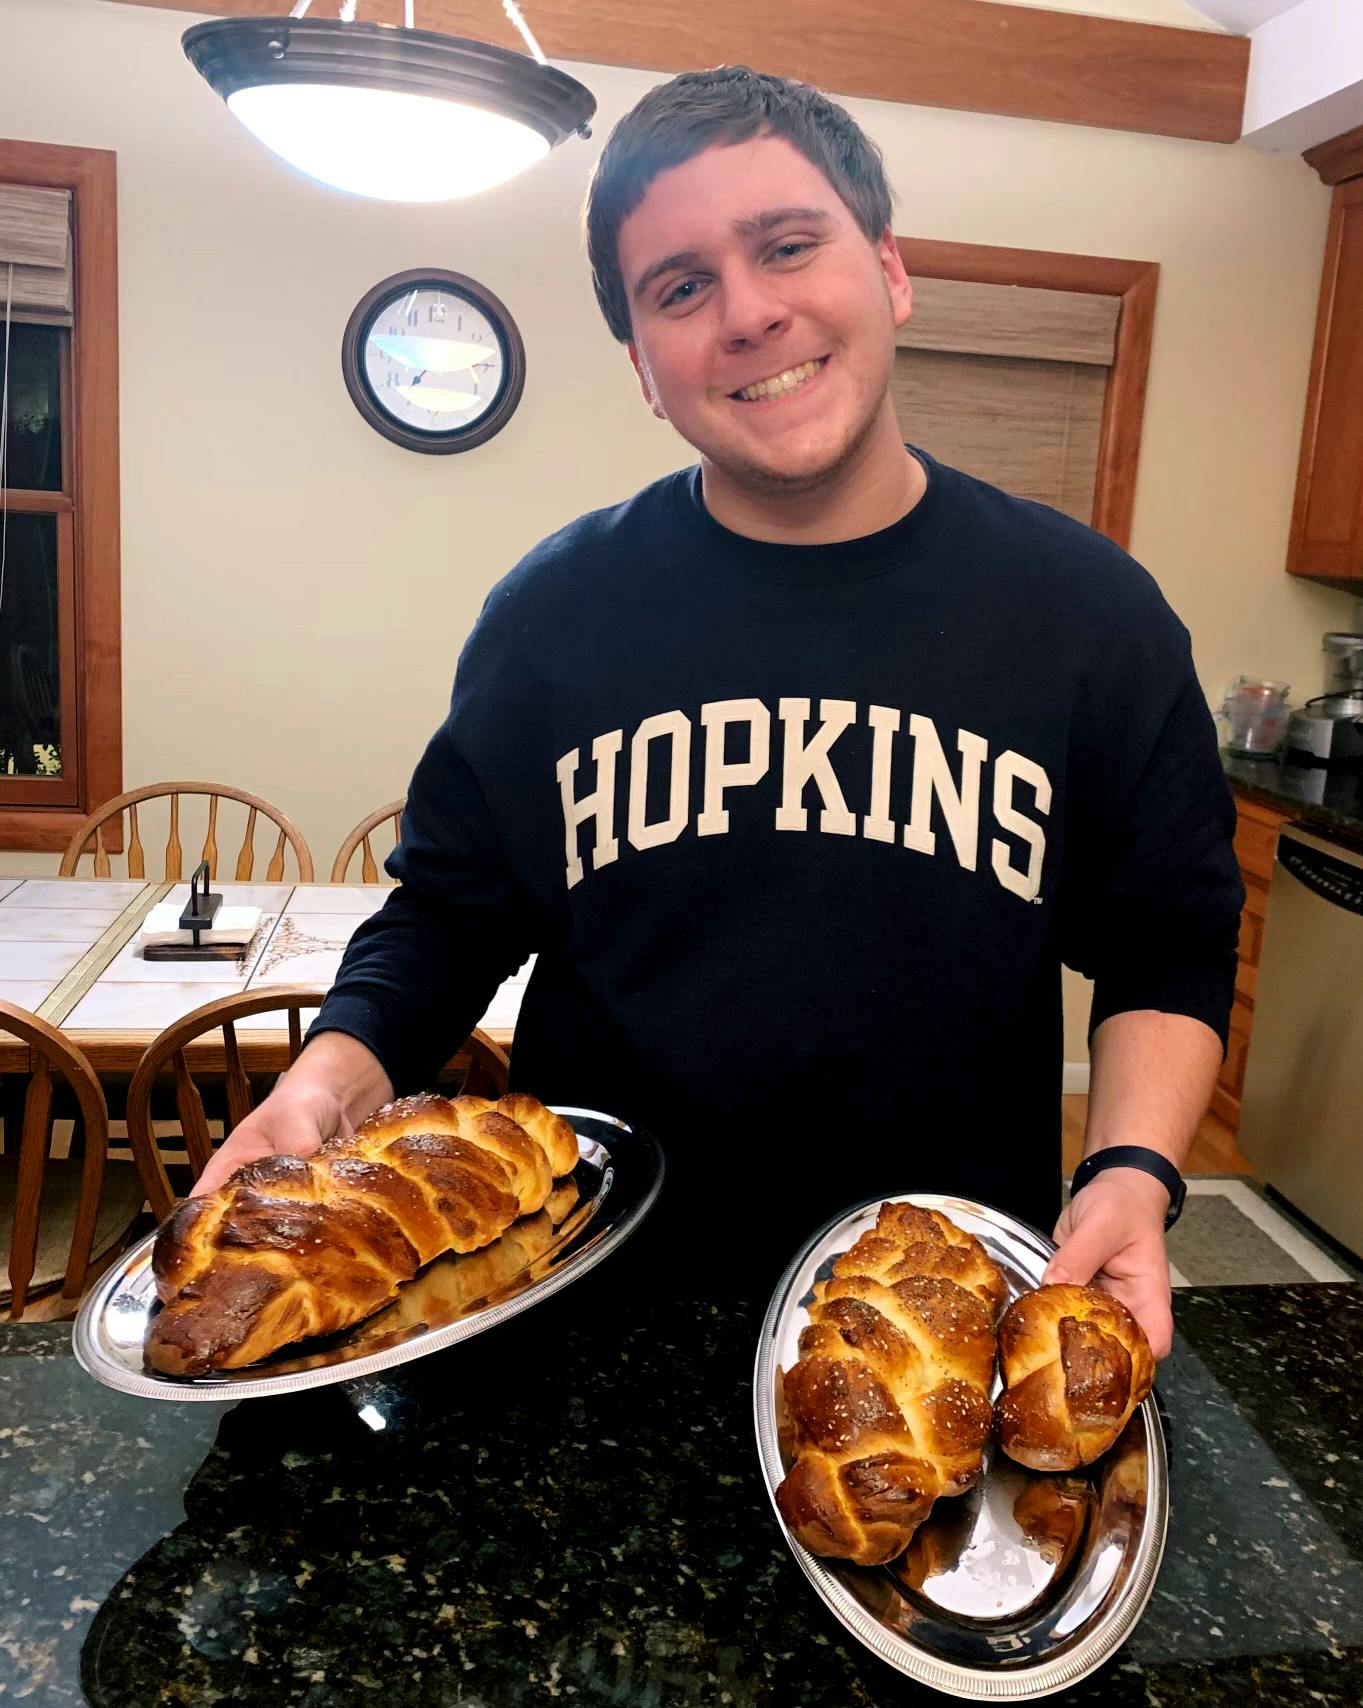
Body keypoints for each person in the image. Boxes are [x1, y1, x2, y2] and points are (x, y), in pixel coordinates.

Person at [195, 67, 1243, 1359]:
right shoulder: (550, 619)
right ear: (643, 367)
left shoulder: (1094, 617)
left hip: (941, 1327)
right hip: (588, 1312)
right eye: (680, 288)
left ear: (891, 273)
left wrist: (1131, 1174)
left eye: (789, 247)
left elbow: (1168, 946)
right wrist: (322, 1083)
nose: (747, 313)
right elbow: (448, 920)